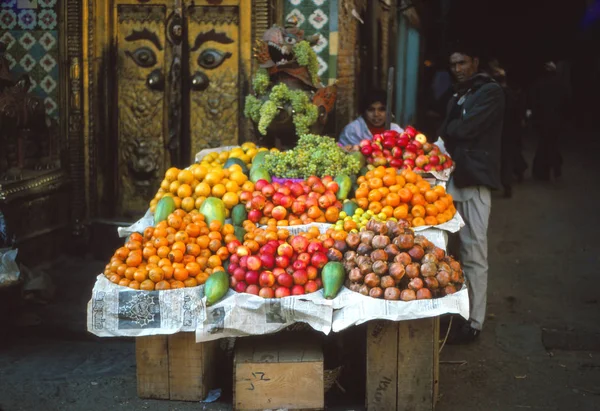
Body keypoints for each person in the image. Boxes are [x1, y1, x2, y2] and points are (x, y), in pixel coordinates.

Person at [438, 45, 505, 344]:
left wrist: (454, 127)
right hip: (453, 178)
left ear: (475, 61)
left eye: (462, 62)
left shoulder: (490, 92)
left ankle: (474, 320)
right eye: (453, 63)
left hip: (475, 179)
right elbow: (447, 129)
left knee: (474, 250)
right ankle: (453, 312)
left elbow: (464, 129)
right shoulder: (459, 93)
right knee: (444, 250)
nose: (457, 68)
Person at [529, 62, 569, 181]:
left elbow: (533, 101)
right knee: (553, 144)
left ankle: (543, 172)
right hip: (556, 120)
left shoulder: (539, 83)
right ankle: (556, 169)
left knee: (543, 145)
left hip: (542, 120)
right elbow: (566, 103)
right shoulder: (561, 84)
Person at [338, 89, 402, 146]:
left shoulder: (396, 130)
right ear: (364, 111)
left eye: (382, 109)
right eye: (371, 109)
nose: (376, 114)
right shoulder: (352, 131)